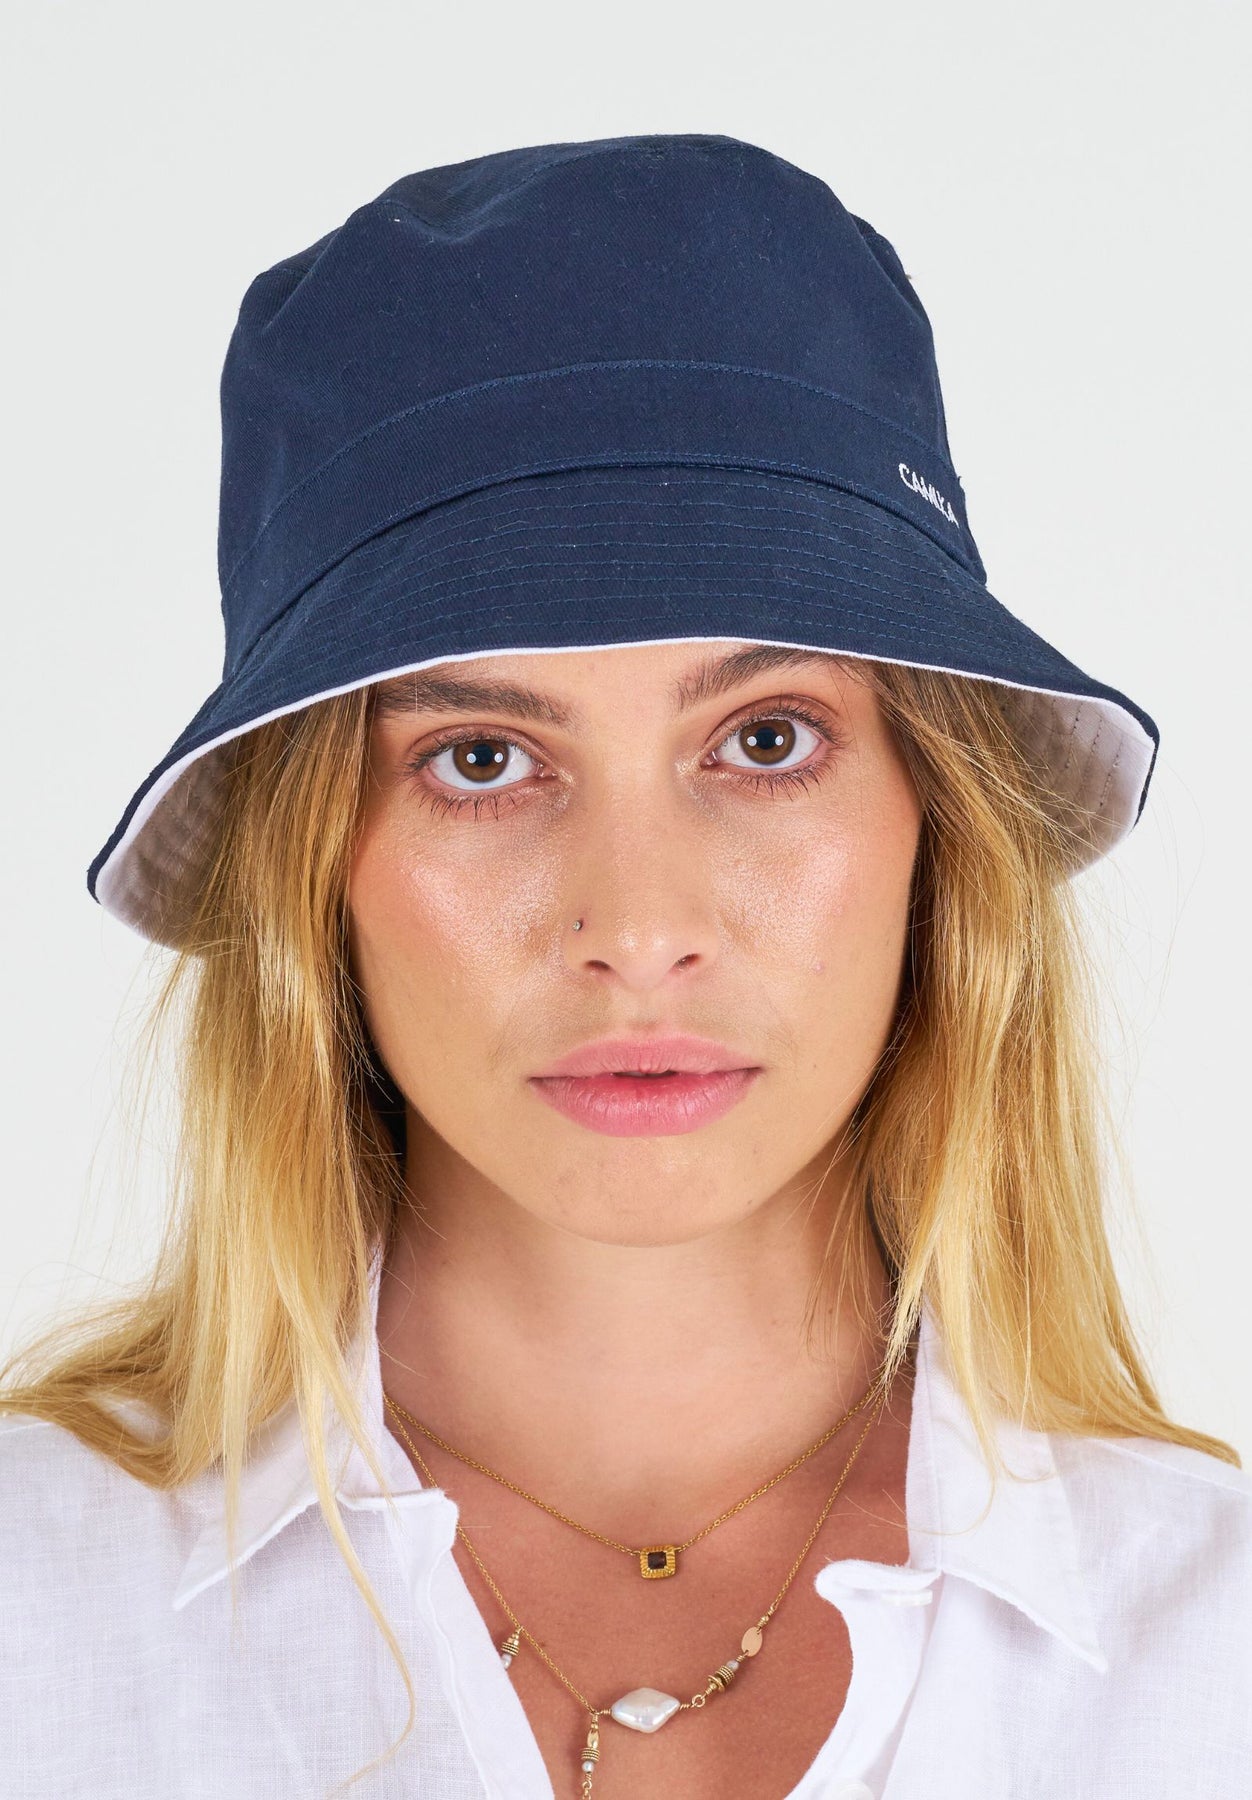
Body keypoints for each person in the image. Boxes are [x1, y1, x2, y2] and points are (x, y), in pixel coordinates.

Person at [1, 133, 1247, 1800]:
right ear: (314, 872)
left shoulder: (1215, 1656)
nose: (640, 927)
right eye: (482, 760)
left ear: (935, 824)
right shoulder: (34, 1615)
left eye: (767, 737)